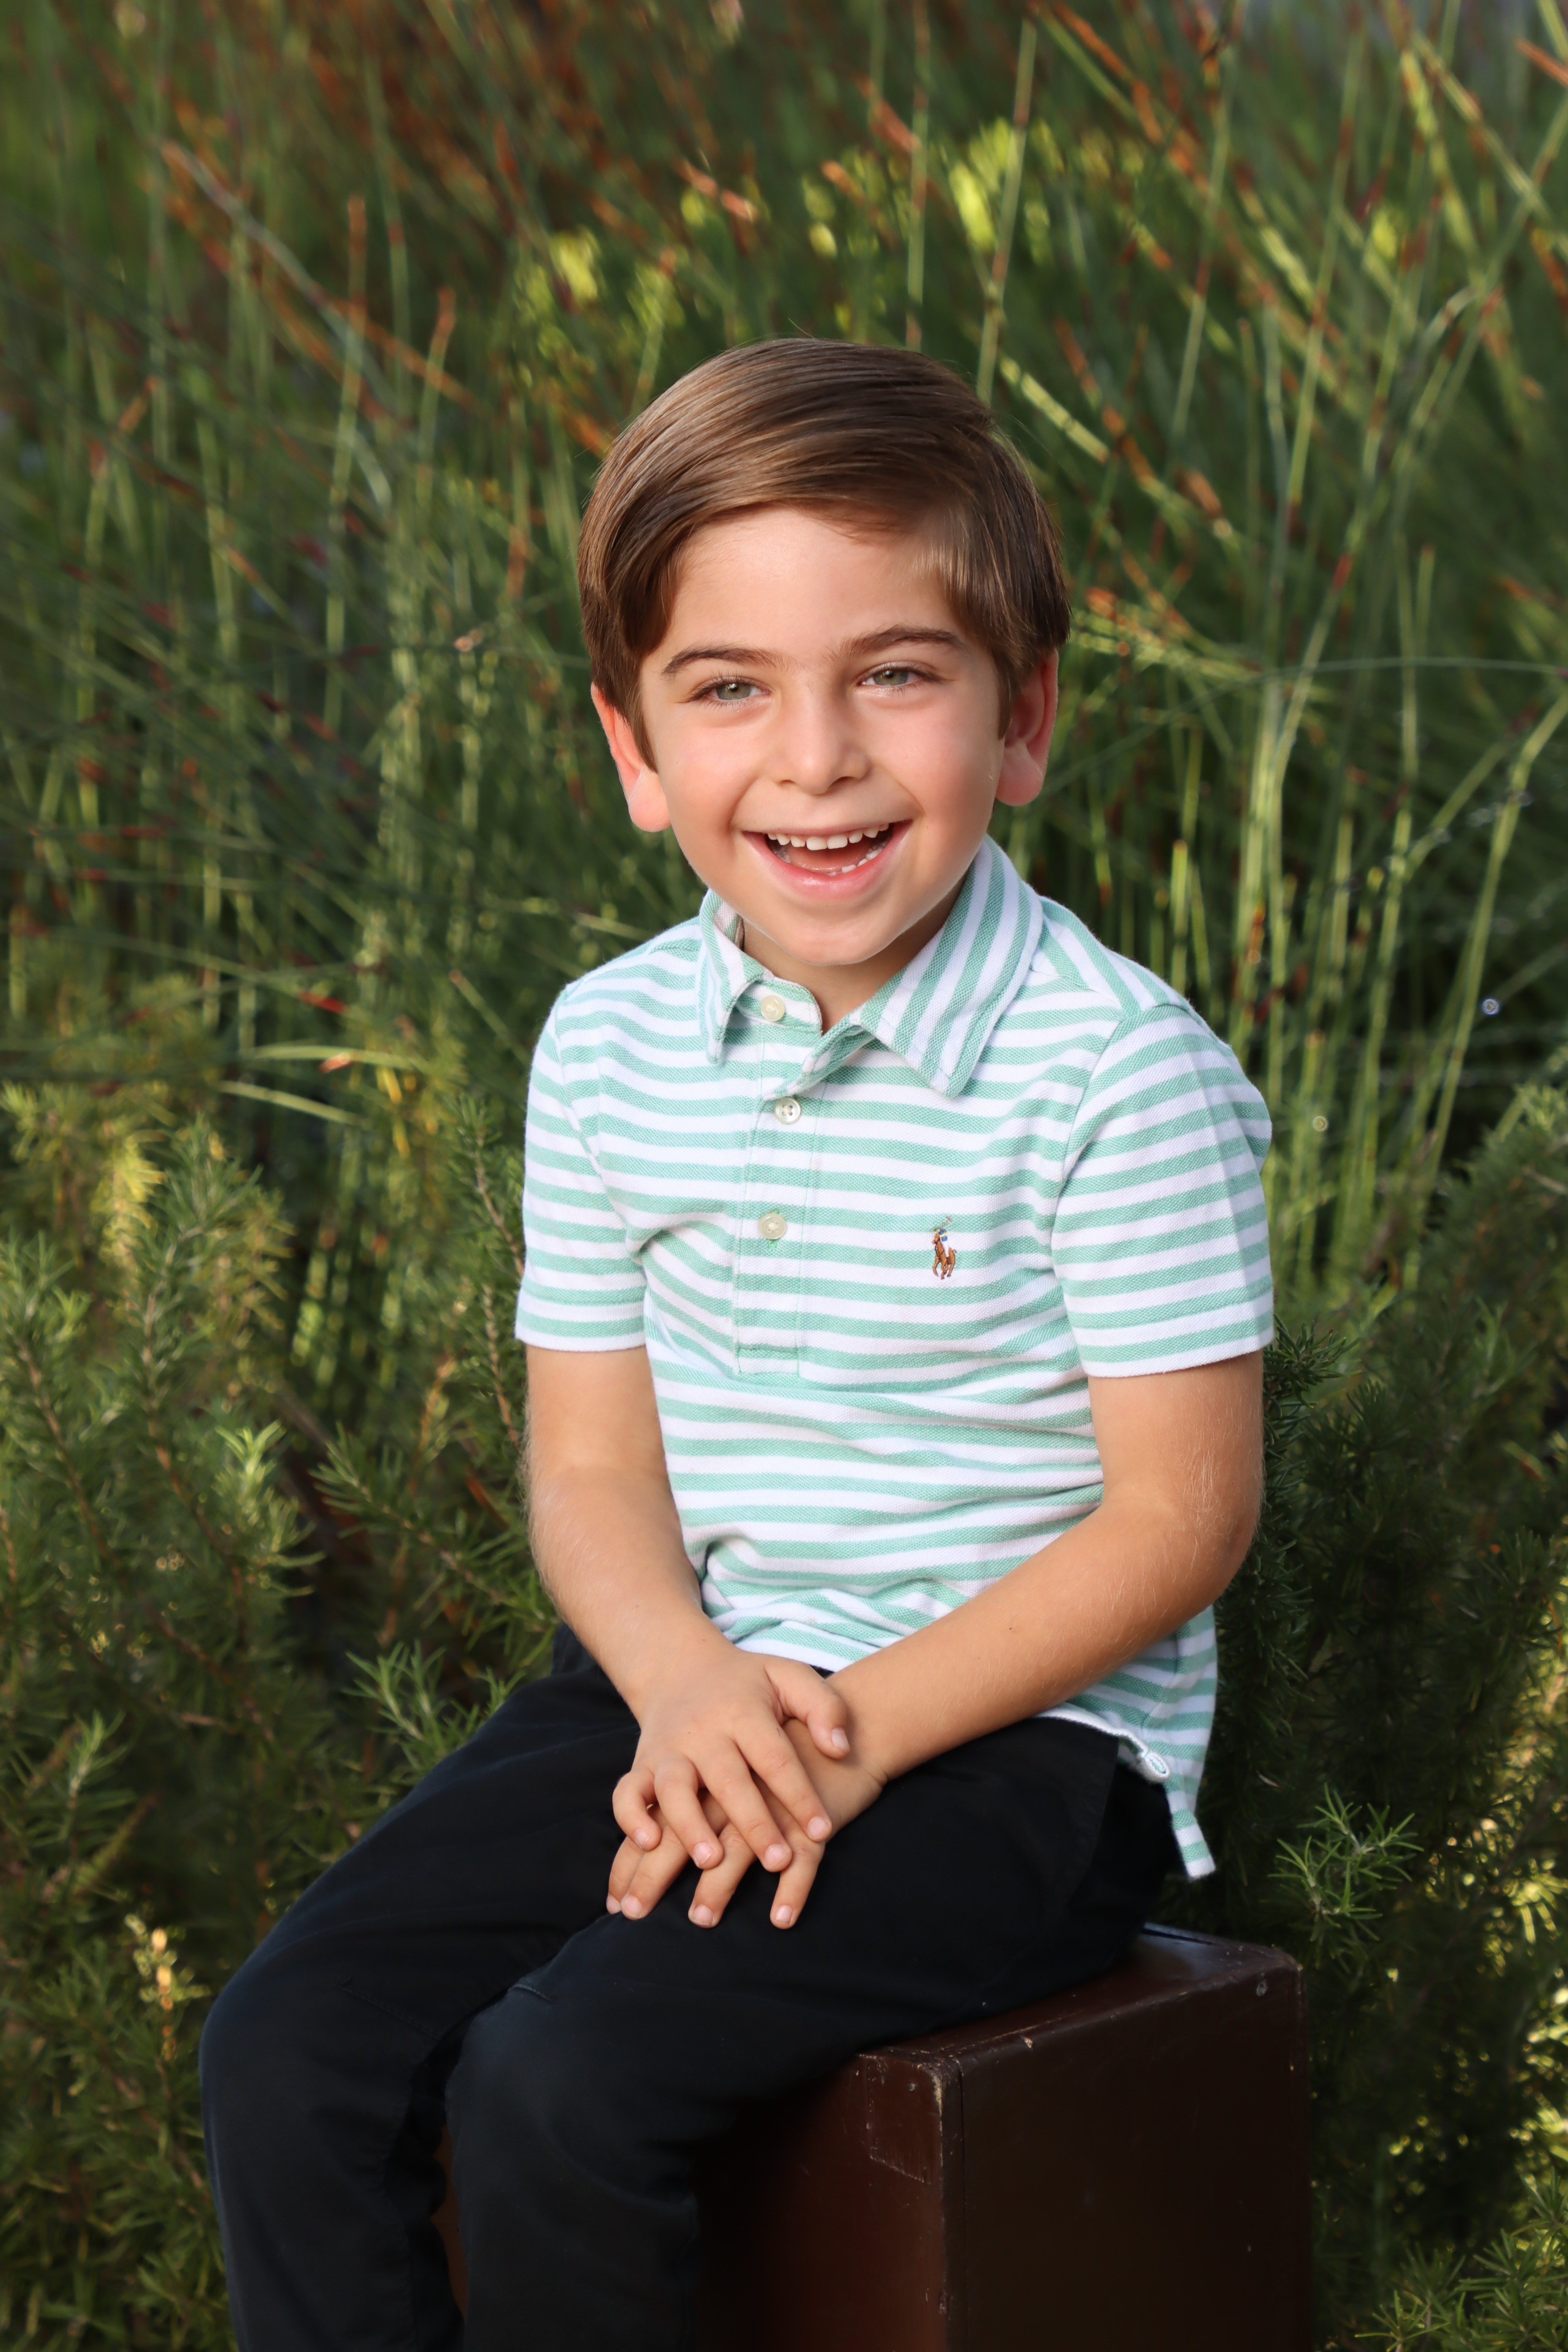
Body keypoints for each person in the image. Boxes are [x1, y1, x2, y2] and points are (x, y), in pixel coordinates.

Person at [200, 338, 1273, 2352]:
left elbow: (1175, 1526)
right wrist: (690, 1689)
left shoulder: (1118, 1076)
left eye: (896, 673)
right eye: (728, 690)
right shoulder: (606, 1043)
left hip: (1015, 1751)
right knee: (288, 2047)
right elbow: (594, 1469)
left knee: (562, 2084)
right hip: (683, 1684)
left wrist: (826, 1743)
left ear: (1022, 715)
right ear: (632, 749)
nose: (817, 760)